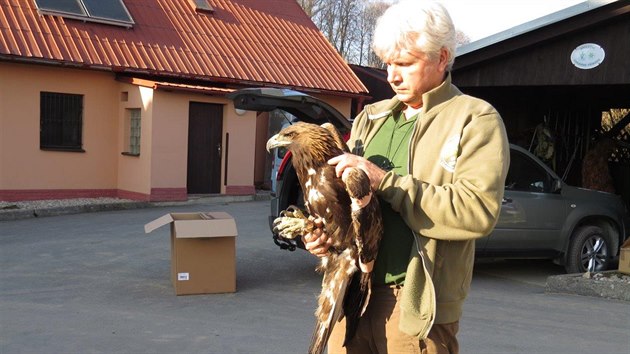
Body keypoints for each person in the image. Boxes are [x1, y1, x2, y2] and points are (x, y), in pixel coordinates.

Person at [302, 1, 510, 353]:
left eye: (405, 63)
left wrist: (386, 181)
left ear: (441, 57)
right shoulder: (372, 117)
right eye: (388, 63)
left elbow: (478, 212)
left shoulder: (474, 119)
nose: (391, 75)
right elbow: (351, 204)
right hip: (351, 293)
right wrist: (324, 236)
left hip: (414, 305)